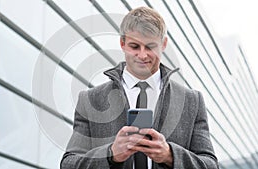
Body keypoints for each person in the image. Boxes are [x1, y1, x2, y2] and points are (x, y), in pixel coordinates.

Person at [60, 6, 219, 169]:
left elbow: (211, 165)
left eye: (150, 46)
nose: (143, 55)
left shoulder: (191, 101)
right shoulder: (91, 99)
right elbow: (68, 164)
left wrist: (170, 155)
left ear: (163, 44)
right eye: (135, 46)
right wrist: (111, 154)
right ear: (122, 43)